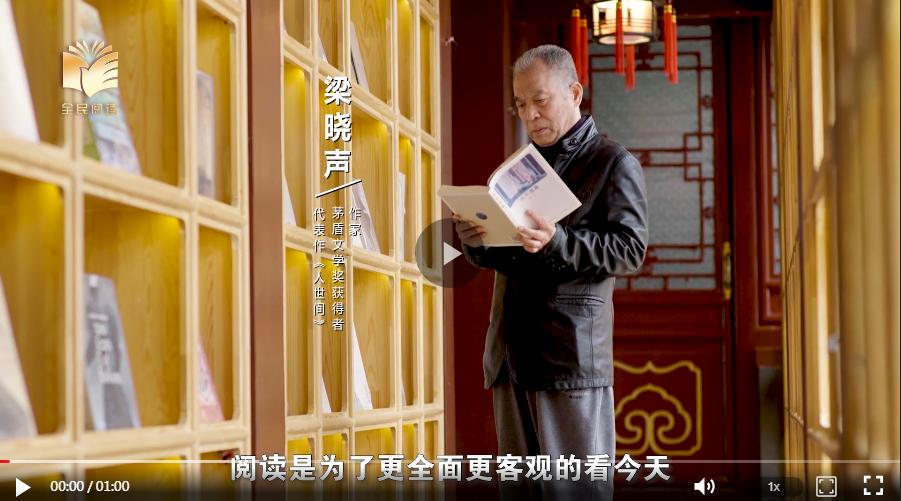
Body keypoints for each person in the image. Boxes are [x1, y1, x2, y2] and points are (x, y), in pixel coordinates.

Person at [453, 44, 649, 500]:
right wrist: (478, 242)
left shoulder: (612, 163)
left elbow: (630, 250)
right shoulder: (522, 168)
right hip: (509, 353)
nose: (530, 114)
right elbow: (513, 256)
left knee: (574, 492)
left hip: (568, 356)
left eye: (540, 100)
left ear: (574, 92)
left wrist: (558, 240)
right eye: (521, 104)